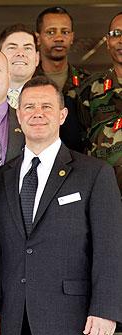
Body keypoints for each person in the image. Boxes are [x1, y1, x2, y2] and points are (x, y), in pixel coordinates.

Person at [0, 76, 122, 335]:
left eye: (47, 106)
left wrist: (106, 309)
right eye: (30, 107)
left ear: (62, 115)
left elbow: (110, 247)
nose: (38, 114)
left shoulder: (94, 174)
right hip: (11, 319)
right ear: (19, 116)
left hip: (73, 319)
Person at [34, 6, 90, 153]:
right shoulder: (28, 84)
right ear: (38, 38)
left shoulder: (89, 83)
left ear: (72, 37)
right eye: (51, 32)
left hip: (81, 168)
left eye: (65, 32)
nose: (59, 38)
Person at [78, 12, 122, 197]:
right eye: (116, 34)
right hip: (104, 194)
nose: (121, 40)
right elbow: (81, 138)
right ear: (107, 42)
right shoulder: (91, 88)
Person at [0, 24, 39, 109]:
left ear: (37, 58)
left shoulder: (52, 98)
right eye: (12, 48)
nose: (20, 53)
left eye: (27, 48)